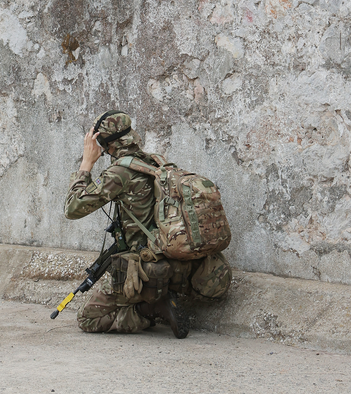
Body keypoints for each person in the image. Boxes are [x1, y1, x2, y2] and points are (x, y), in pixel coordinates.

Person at [64, 110, 231, 338]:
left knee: (89, 318)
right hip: (178, 261)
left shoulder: (119, 173)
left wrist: (86, 164)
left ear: (105, 144)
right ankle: (164, 295)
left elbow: (73, 209)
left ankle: (151, 309)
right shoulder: (156, 161)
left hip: (147, 269)